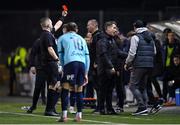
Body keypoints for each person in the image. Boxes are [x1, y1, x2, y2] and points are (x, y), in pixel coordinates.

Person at [57, 22, 90, 122]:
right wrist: (86, 72)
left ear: (66, 29)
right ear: (76, 30)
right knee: (79, 90)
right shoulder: (82, 38)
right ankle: (79, 115)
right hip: (82, 64)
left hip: (71, 63)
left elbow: (61, 55)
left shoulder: (62, 38)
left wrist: (63, 67)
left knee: (65, 88)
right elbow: (87, 56)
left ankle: (64, 116)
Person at [124, 20, 156, 115]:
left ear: (135, 27)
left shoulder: (135, 37)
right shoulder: (150, 37)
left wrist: (127, 63)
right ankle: (144, 107)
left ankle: (142, 107)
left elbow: (132, 53)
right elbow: (154, 52)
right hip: (149, 65)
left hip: (139, 65)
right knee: (142, 87)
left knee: (132, 86)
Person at [39, 10, 67, 116]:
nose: (52, 23)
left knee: (53, 85)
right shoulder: (46, 35)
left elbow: (57, 25)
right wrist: (57, 60)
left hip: (49, 64)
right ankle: (50, 109)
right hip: (50, 63)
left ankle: (50, 109)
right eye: (50, 22)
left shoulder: (48, 33)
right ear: (47, 24)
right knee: (56, 85)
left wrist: (62, 16)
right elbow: (50, 49)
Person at [96, 21, 127, 115]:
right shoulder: (103, 40)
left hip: (112, 70)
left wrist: (130, 56)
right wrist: (111, 67)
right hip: (105, 70)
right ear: (107, 29)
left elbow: (118, 53)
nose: (116, 29)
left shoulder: (111, 40)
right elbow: (103, 55)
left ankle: (109, 108)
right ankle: (101, 108)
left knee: (109, 90)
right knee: (103, 90)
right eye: (114, 27)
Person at [86, 19, 103, 113]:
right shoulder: (95, 36)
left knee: (99, 86)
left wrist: (96, 61)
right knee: (96, 86)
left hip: (96, 65)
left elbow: (99, 50)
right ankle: (99, 106)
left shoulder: (98, 36)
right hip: (93, 65)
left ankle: (100, 107)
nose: (87, 27)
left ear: (94, 25)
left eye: (88, 25)